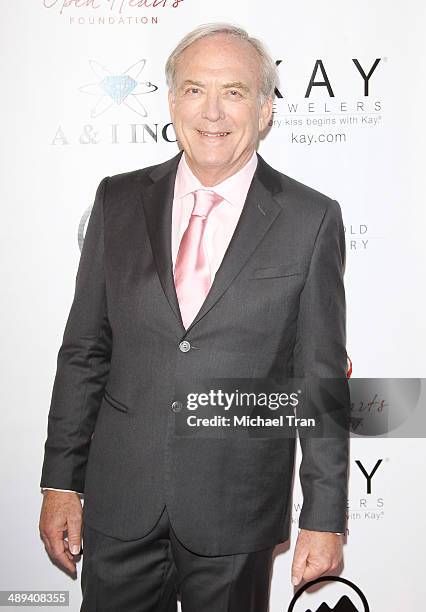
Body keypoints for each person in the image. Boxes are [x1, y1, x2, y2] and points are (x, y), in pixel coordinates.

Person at [39, 23, 350, 612]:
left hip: (236, 510)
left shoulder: (312, 220)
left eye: (233, 91)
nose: (212, 112)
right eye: (193, 90)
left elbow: (320, 381)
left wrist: (325, 518)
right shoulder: (116, 200)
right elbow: (85, 351)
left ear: (264, 112)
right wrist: (61, 482)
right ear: (172, 101)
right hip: (120, 503)